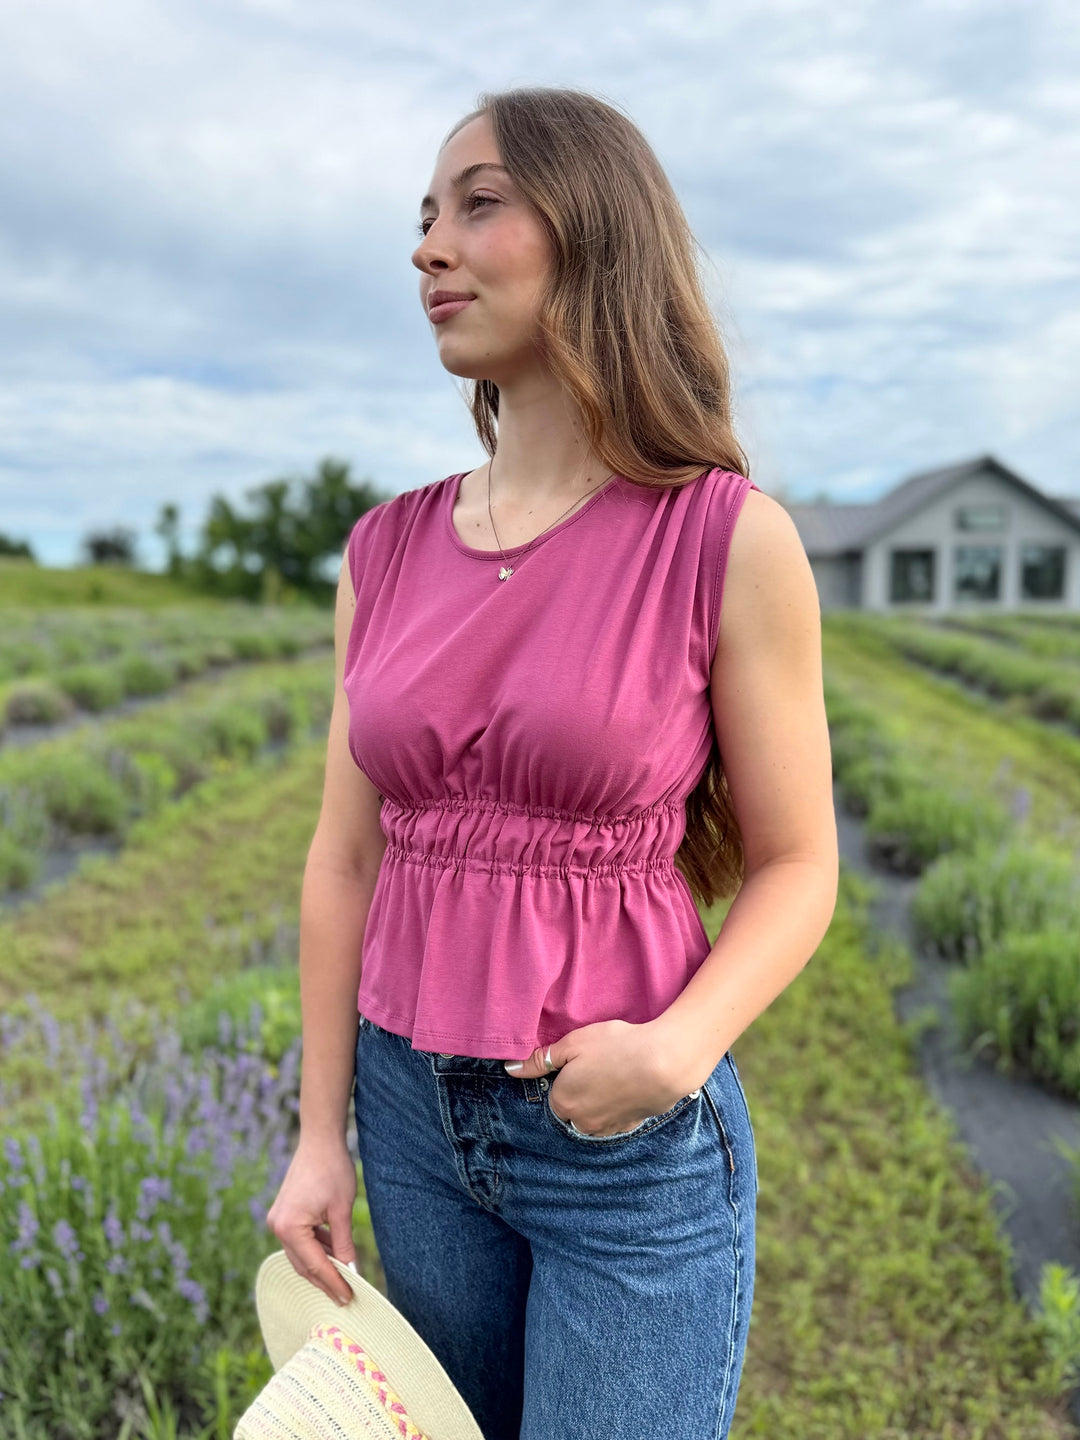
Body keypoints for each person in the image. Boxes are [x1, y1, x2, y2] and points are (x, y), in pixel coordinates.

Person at [267, 85, 838, 1440]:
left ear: (594, 234)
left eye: (477, 204)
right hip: (415, 1124)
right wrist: (319, 1134)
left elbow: (802, 862)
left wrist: (680, 1050)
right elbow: (347, 855)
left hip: (620, 1139)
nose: (428, 247)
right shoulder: (385, 549)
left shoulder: (722, 538)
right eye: (422, 218)